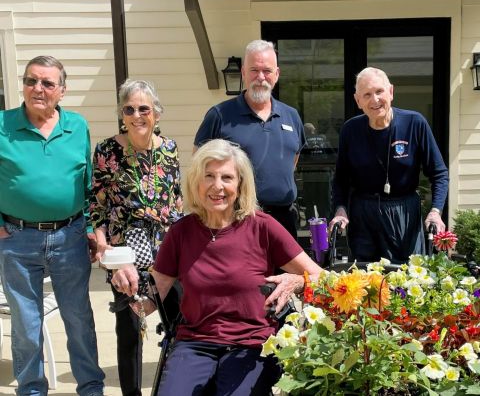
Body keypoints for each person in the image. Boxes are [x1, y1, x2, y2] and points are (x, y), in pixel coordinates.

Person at [111, 138, 322, 395]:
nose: (217, 186)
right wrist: (128, 287)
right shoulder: (180, 232)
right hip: (195, 343)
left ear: (240, 184)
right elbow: (151, 299)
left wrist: (297, 281)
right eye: (209, 176)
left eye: (227, 177)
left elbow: (320, 277)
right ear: (197, 183)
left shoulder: (263, 227)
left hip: (252, 343)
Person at [0, 56, 105, 395]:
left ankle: (91, 387)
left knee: (78, 319)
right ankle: (31, 390)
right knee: (27, 325)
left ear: (63, 90)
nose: (38, 89)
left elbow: (87, 182)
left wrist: (89, 228)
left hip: (69, 236)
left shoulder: (77, 126)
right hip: (16, 239)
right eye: (31, 81)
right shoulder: (2, 125)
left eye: (47, 83)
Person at [90, 79, 183, 396]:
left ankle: (177, 385)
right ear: (121, 113)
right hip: (125, 251)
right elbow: (98, 204)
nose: (137, 115)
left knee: (178, 323)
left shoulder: (169, 149)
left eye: (144, 108)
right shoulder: (108, 150)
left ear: (156, 113)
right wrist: (102, 241)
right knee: (129, 328)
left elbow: (177, 199)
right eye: (129, 109)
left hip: (167, 250)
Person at [330, 67, 448, 262]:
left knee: (407, 278)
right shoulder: (350, 130)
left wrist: (435, 211)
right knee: (364, 279)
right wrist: (340, 209)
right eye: (366, 94)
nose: (374, 100)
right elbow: (341, 179)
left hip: (403, 212)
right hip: (364, 213)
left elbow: (439, 173)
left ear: (391, 92)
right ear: (358, 100)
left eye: (379, 91)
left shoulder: (415, 123)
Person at [193, 40, 306, 239]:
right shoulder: (219, 116)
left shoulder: (292, 116)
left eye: (267, 71)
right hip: (236, 219)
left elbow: (292, 161)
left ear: (277, 74)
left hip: (284, 220)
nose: (260, 77)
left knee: (288, 272)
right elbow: (198, 168)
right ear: (244, 72)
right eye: (254, 70)